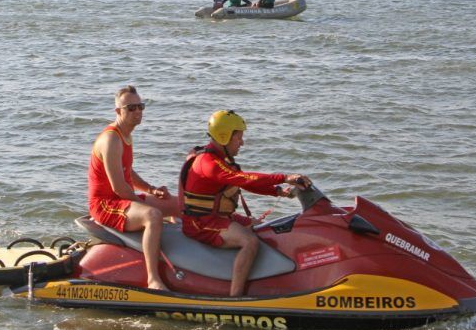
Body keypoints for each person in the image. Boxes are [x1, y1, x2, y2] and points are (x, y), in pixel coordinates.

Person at [179, 110, 310, 297]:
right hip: (200, 223)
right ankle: (235, 297)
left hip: (217, 218)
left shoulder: (219, 160)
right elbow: (243, 179)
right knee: (249, 241)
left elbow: (244, 183)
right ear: (224, 137)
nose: (242, 142)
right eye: (238, 137)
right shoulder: (208, 163)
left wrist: (279, 191)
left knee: (262, 228)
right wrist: (284, 177)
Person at [88, 85, 180, 291]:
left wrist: (151, 190)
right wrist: (145, 205)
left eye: (140, 107)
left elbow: (127, 172)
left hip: (122, 200)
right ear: (118, 111)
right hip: (105, 204)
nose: (137, 112)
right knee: (153, 215)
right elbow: (120, 188)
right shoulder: (111, 139)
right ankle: (153, 279)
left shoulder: (126, 135)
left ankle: (185, 262)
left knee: (176, 204)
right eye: (131, 108)